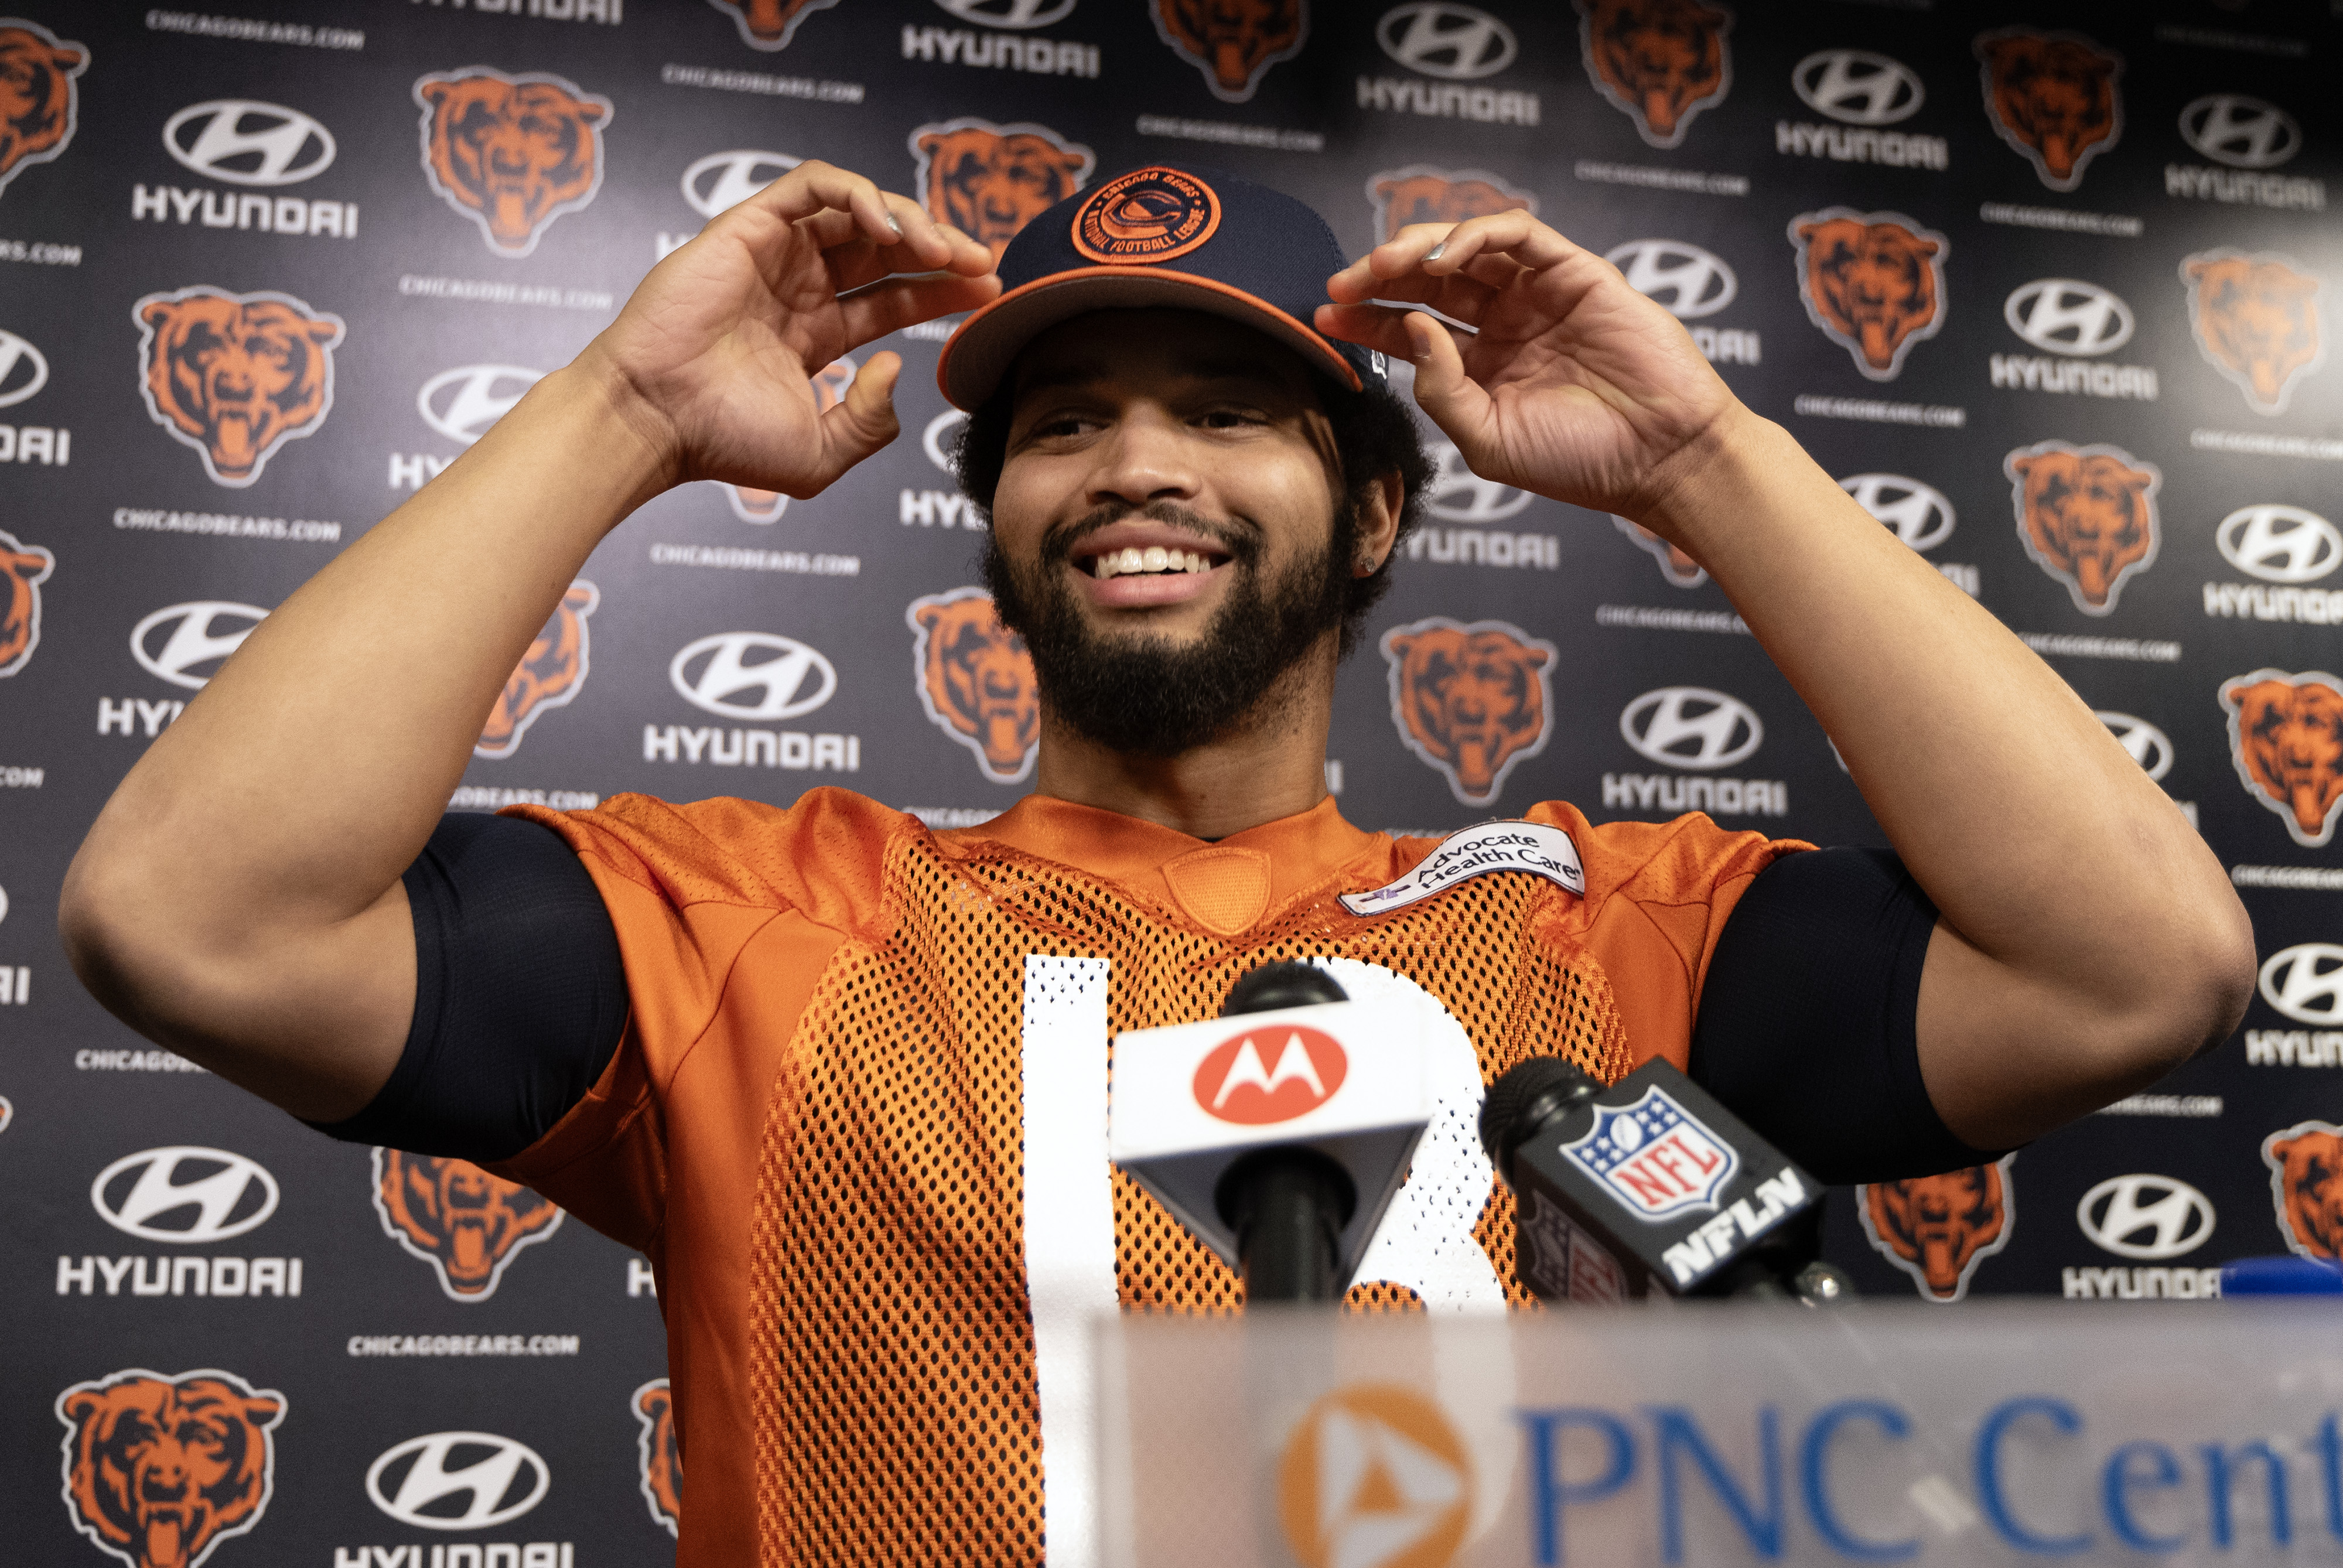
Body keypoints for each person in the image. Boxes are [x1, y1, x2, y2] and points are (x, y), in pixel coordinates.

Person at [62, 160, 2252, 1564]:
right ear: (1001, 520)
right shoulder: (765, 920)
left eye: (1230, 414)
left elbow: (2136, 965)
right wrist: (624, 410)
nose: (1136, 465)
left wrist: (1696, 459)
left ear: (1374, 515)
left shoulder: (1587, 935)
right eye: (1066, 417)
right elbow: (193, 920)